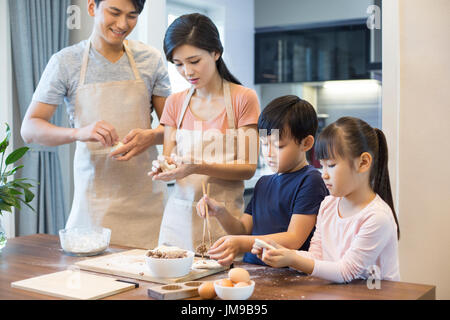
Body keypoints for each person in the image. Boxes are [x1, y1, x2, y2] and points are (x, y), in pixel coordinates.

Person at [20, 0, 171, 248]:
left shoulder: (150, 60)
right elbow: (30, 128)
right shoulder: (66, 62)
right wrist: (80, 132)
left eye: (132, 16)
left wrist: (151, 137)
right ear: (92, 7)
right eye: (114, 13)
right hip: (93, 206)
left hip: (146, 204)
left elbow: (173, 128)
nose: (123, 24)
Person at [149, 13, 261, 252]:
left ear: (215, 53)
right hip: (178, 219)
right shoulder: (174, 103)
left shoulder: (243, 99)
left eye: (194, 61)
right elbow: (169, 159)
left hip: (223, 219)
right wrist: (163, 168)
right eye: (178, 64)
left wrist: (197, 166)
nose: (187, 71)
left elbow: (248, 167)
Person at [252, 117, 401, 282]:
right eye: (321, 165)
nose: (324, 174)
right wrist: (282, 252)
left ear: (363, 163)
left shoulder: (377, 217)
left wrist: (292, 259)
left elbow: (346, 271)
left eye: (331, 165)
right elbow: (316, 255)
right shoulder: (328, 205)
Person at [196, 96, 328, 266]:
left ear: (307, 143)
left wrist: (240, 243)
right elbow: (243, 230)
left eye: (279, 146)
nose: (269, 153)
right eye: (265, 144)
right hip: (253, 268)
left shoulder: (310, 180)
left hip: (289, 273)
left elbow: (293, 239)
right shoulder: (263, 183)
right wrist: (220, 212)